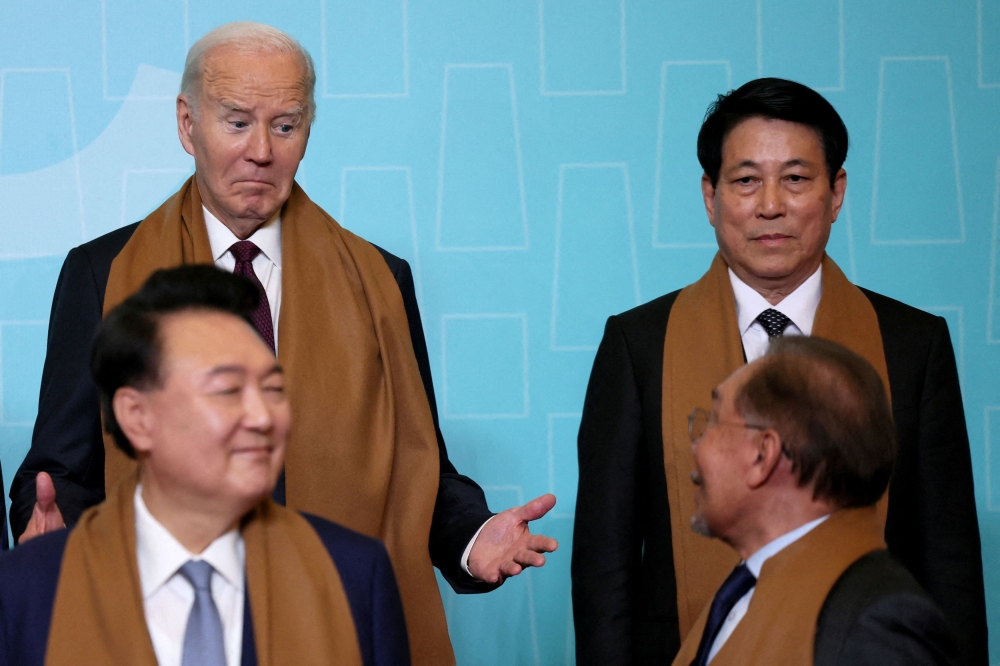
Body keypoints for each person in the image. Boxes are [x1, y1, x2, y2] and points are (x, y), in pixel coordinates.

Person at [10, 22, 556, 665]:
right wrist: (47, 541)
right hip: (163, 625)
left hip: (336, 621)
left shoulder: (379, 279)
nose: (261, 151)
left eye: (286, 125)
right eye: (237, 122)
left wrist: (471, 537)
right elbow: (60, 470)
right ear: (188, 124)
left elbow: (417, 465)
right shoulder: (103, 272)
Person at [572, 77, 986, 665]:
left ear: (836, 192)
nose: (771, 204)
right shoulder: (639, 344)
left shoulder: (912, 345)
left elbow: (950, 564)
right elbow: (604, 568)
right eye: (745, 181)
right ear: (710, 197)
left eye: (795, 179)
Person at [0, 265, 410, 666]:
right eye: (228, 389)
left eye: (273, 389)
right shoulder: (27, 589)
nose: (262, 417)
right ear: (137, 416)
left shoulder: (353, 574)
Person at [671, 336, 958, 666]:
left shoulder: (877, 622)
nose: (696, 446)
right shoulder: (744, 592)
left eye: (713, 421)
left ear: (764, 454)